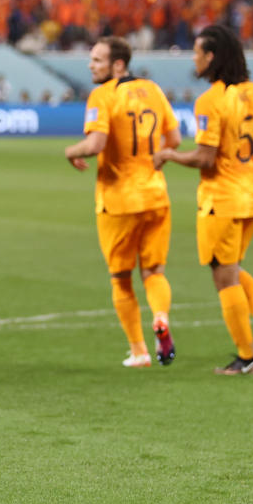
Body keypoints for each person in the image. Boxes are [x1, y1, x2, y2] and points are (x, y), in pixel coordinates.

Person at [153, 24, 253, 375]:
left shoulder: (210, 101)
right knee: (232, 269)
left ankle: (248, 358)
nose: (194, 59)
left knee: (223, 277)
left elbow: (205, 158)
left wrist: (169, 155)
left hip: (222, 199)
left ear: (211, 57)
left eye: (197, 53)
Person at [64, 37, 181, 367]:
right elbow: (173, 140)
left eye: (98, 60)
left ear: (118, 65)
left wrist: (71, 152)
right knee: (155, 271)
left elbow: (95, 143)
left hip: (117, 200)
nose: (91, 65)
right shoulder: (154, 90)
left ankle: (140, 351)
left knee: (121, 278)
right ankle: (160, 316)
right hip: (156, 195)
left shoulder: (103, 94)